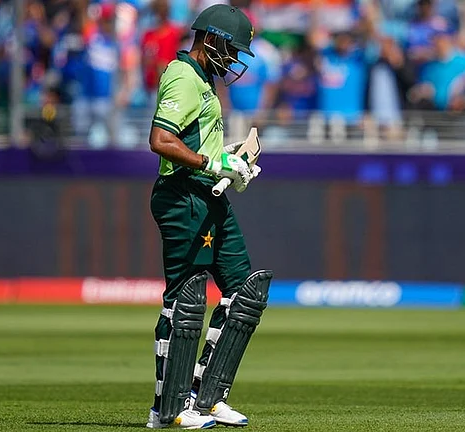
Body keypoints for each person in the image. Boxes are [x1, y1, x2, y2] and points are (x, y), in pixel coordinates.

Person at [146, 4, 273, 430]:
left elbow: (202, 143)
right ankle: (169, 409)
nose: (234, 59)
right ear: (211, 38)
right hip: (184, 196)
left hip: (208, 195)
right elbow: (160, 139)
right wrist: (209, 163)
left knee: (244, 294)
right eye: (231, 48)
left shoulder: (204, 80)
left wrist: (230, 159)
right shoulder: (183, 77)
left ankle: (208, 398)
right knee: (185, 301)